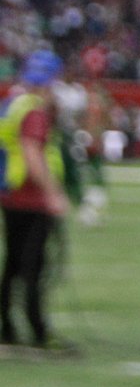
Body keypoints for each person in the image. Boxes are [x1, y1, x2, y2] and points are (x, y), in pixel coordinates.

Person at [0, 51, 73, 351]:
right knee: (35, 266)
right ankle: (37, 328)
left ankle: (7, 326)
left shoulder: (12, 104)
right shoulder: (35, 111)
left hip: (10, 192)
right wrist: (54, 194)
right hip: (31, 197)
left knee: (13, 264)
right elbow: (33, 154)